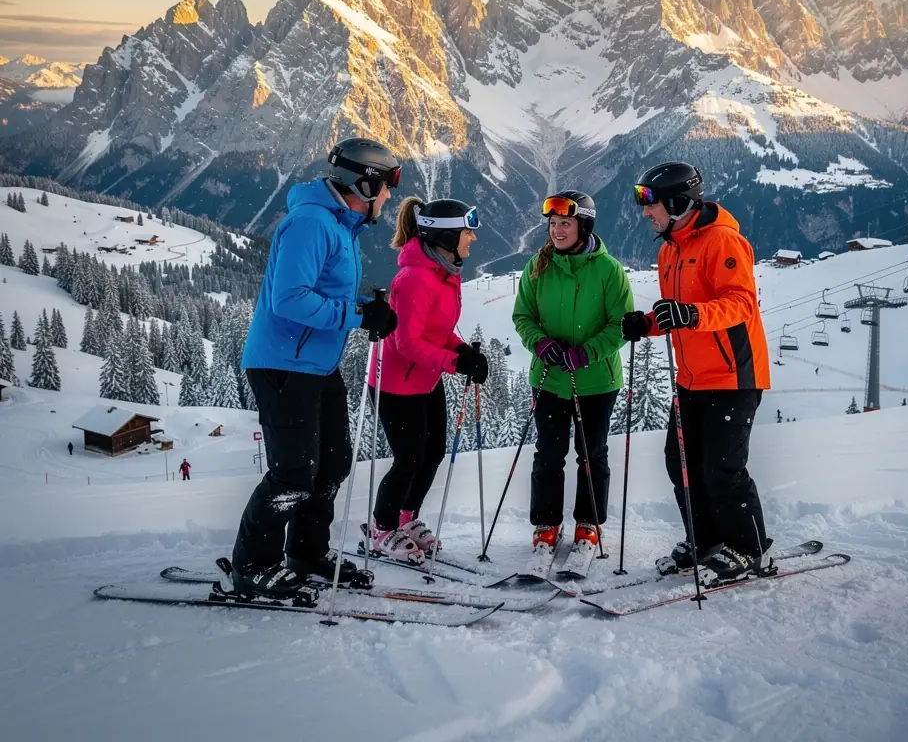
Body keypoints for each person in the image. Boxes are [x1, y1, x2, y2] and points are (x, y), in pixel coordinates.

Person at [229, 137, 401, 599]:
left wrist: (365, 307)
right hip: (283, 364)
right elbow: (290, 300)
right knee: (292, 473)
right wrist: (358, 316)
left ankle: (306, 553)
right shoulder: (310, 223)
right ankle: (252, 566)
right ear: (364, 185)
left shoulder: (338, 226)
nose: (389, 197)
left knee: (330, 465)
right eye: (386, 186)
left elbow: (323, 292)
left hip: (315, 364)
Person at [621, 162, 772, 584]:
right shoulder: (669, 248)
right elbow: (678, 314)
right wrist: (647, 324)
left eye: (651, 203)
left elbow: (741, 303)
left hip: (732, 375)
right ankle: (705, 539)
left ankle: (749, 549)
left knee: (723, 468)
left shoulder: (723, 242)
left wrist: (688, 314)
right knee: (681, 463)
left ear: (678, 202)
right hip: (690, 378)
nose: (645, 212)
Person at [365, 197, 488, 564]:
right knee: (408, 458)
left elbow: (438, 330)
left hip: (425, 380)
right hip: (395, 384)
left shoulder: (444, 273)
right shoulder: (416, 278)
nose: (473, 239)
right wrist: (455, 362)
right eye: (468, 231)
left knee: (431, 453)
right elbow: (407, 342)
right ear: (447, 236)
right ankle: (381, 527)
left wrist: (463, 351)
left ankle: (406, 517)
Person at [512, 191, 633, 558]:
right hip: (550, 378)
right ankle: (546, 523)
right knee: (548, 453)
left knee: (592, 453)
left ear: (584, 226)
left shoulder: (609, 270)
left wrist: (587, 352)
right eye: (552, 224)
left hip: (596, 380)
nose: (557, 230)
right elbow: (523, 317)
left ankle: (588, 522)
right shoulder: (538, 265)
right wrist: (541, 344)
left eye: (565, 223)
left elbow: (621, 325)